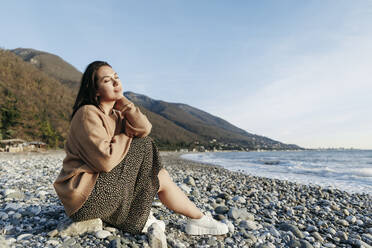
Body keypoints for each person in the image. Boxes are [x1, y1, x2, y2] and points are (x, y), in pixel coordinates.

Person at [53, 61, 229, 235]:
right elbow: (105, 161)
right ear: (95, 90)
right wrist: (129, 136)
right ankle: (139, 217)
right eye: (107, 80)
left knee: (160, 176)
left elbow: (144, 128)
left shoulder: (116, 115)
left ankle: (198, 219)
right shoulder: (87, 113)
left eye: (117, 77)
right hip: (85, 199)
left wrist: (126, 104)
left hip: (101, 192)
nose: (116, 82)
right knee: (143, 144)